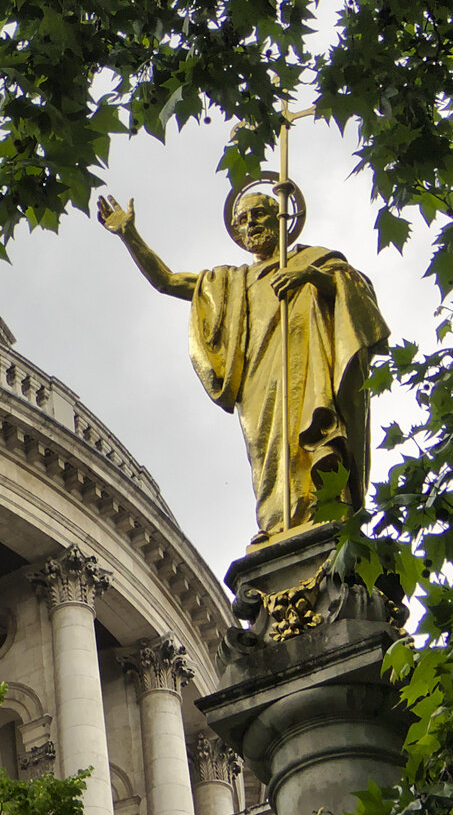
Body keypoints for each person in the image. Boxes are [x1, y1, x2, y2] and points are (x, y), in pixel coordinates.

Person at [96, 184, 388, 546]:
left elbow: (355, 301)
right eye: (242, 220)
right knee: (268, 454)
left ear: (281, 219)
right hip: (259, 383)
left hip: (308, 371)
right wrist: (129, 235)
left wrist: (311, 277)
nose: (250, 225)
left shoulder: (316, 259)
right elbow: (168, 281)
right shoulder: (231, 282)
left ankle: (321, 506)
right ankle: (278, 522)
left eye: (259, 215)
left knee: (315, 435)